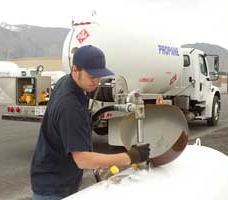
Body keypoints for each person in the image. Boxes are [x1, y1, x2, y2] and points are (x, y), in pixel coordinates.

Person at [30, 45, 150, 200]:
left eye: (99, 76)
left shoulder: (68, 82)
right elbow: (83, 160)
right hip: (53, 187)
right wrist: (129, 157)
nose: (96, 81)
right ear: (75, 70)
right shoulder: (69, 105)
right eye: (92, 76)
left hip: (54, 174)